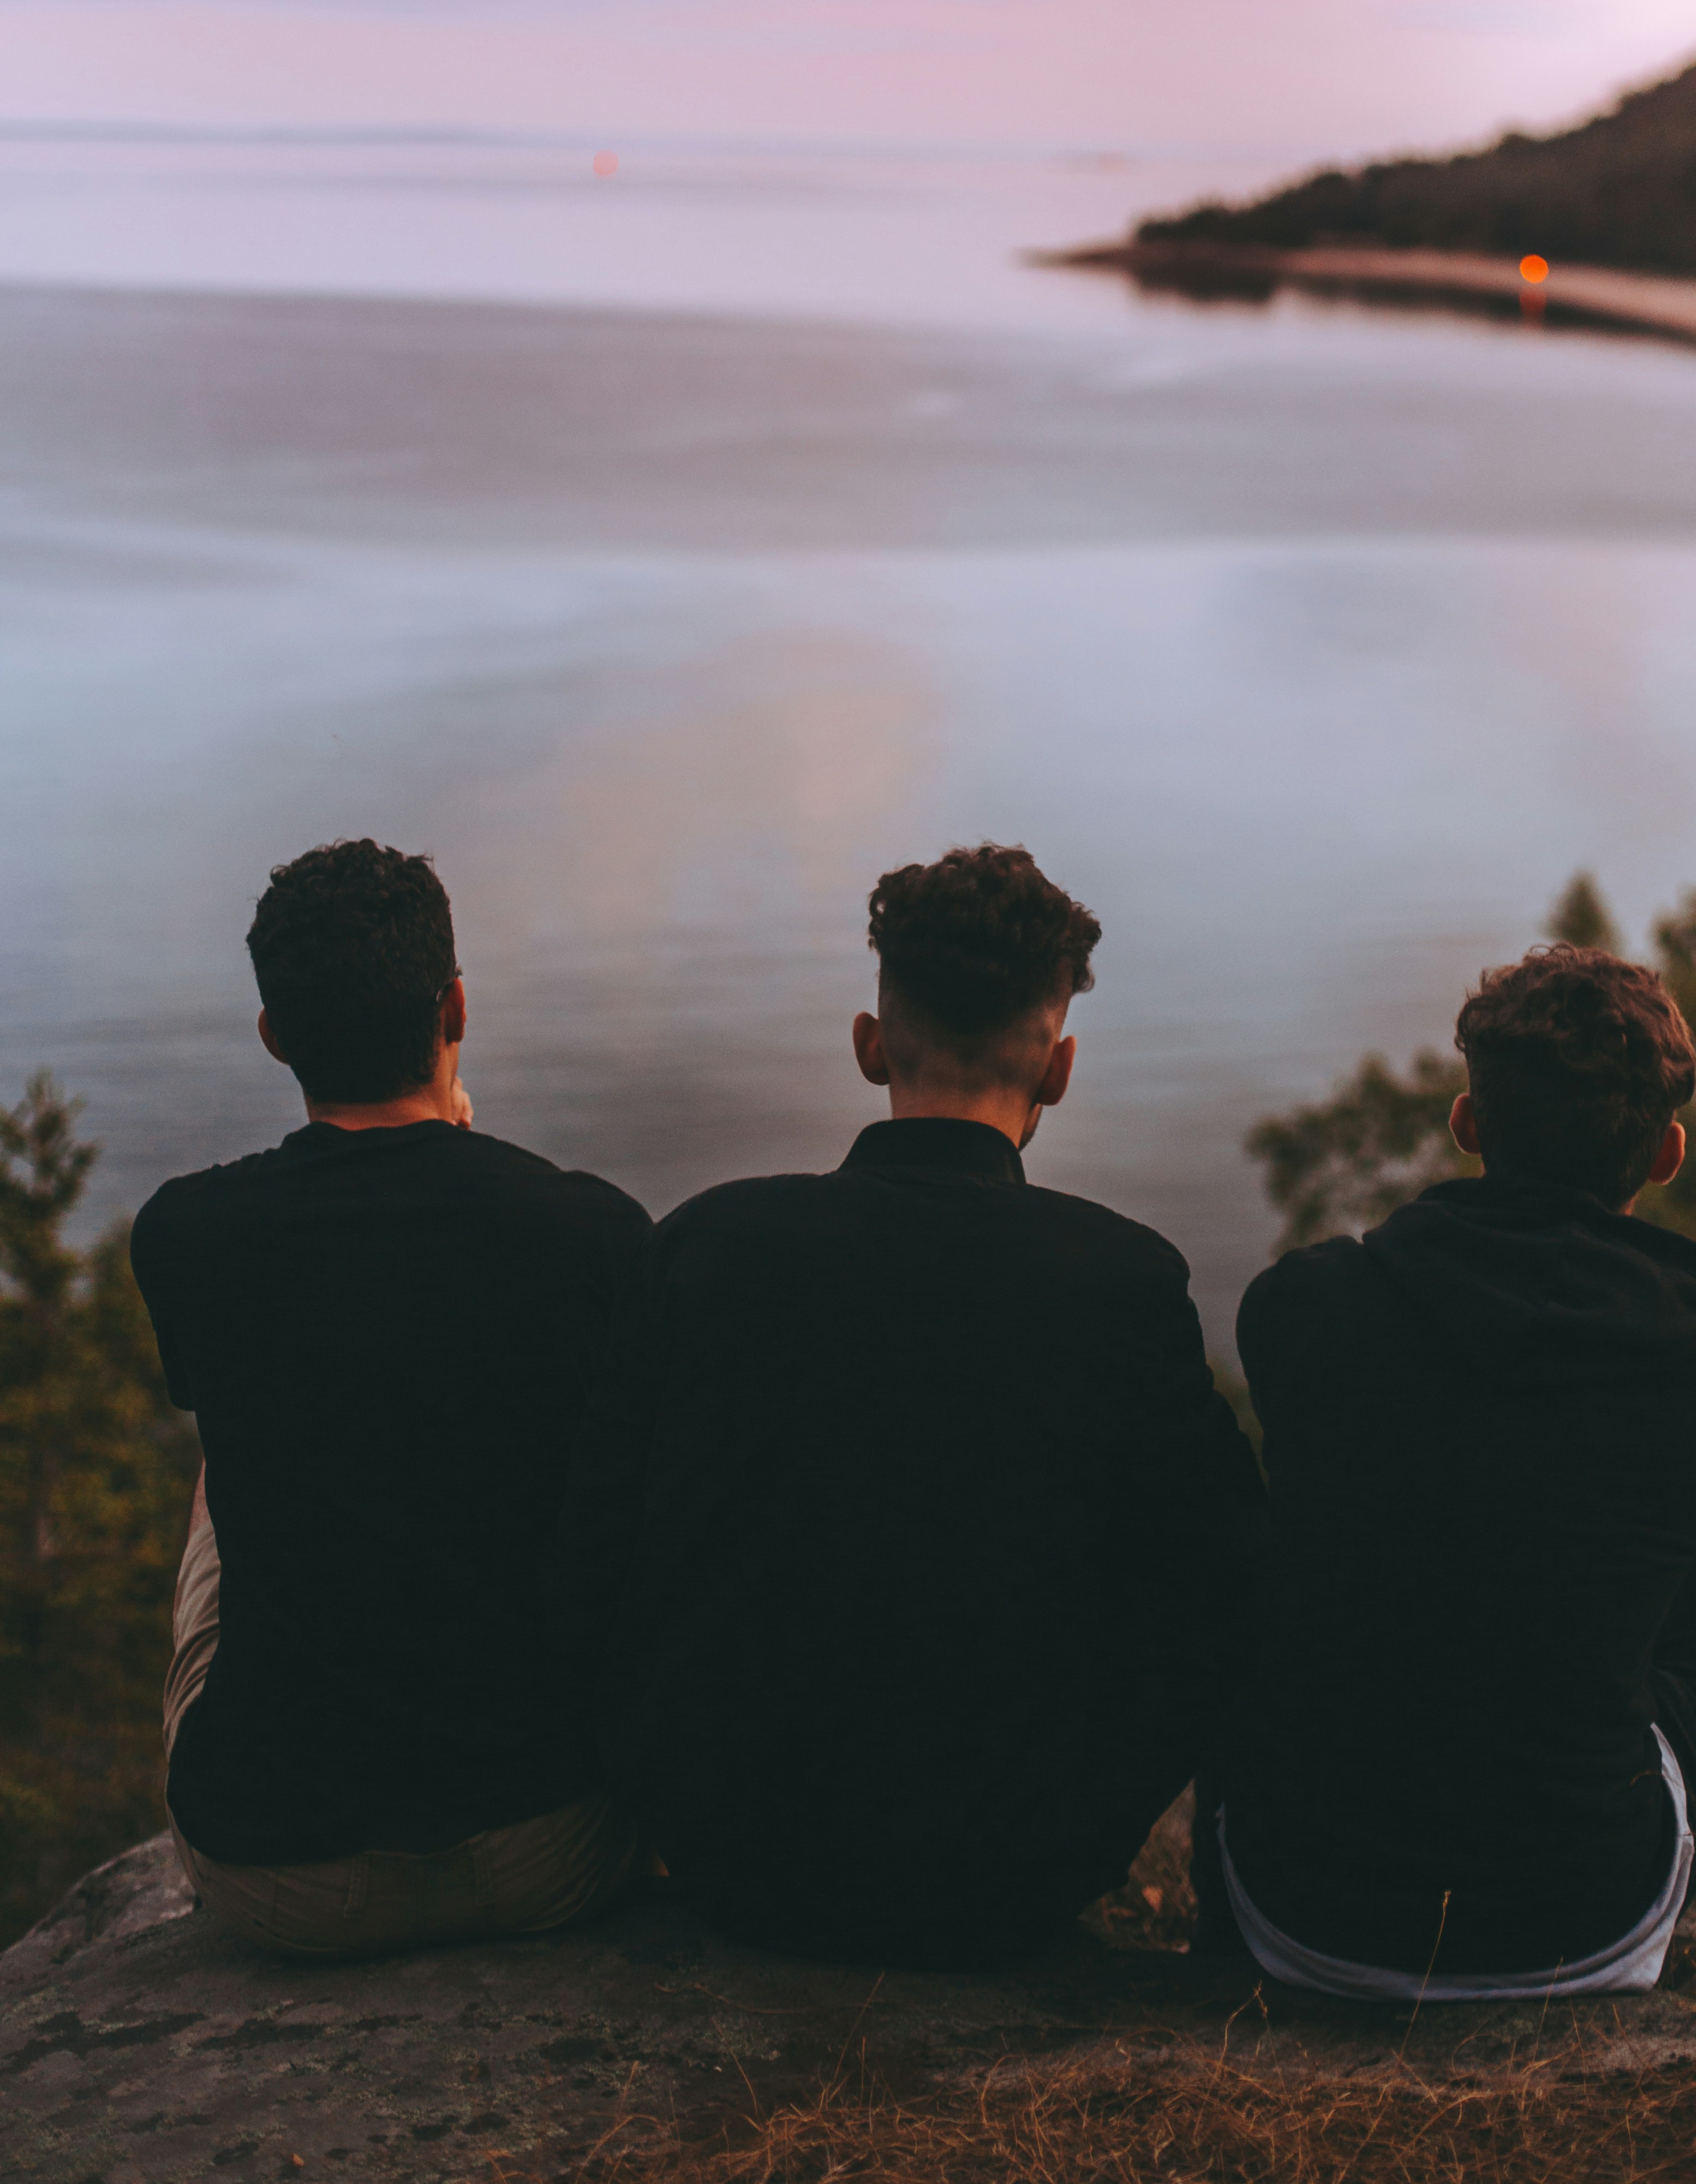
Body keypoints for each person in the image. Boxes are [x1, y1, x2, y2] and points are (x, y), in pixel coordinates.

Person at [558, 842, 1265, 1968]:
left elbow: (595, 1555)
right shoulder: (1121, 1280)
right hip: (1016, 1872)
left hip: (733, 1858)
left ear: (869, 1044)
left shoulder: (704, 1247)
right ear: (1059, 1069)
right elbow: (1224, 1587)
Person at [1219, 942, 1696, 2001]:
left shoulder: (1305, 1308)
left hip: (1300, 1903)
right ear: (1668, 1154)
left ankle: (1225, 1907)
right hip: (1581, 1919)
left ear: (1468, 1124)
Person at [130, 838, 650, 1960]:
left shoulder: (186, 1235)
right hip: (559, 1845)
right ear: (455, 1006)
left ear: (274, 1035)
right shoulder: (592, 1230)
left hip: (280, 1879)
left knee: (224, 1460)